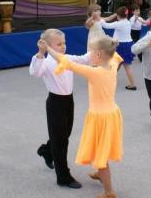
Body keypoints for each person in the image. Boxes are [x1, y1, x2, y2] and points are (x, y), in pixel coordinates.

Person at [43, 36, 123, 198]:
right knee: (101, 149)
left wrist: (48, 49)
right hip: (111, 113)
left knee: (102, 156)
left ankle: (109, 192)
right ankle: (101, 175)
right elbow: (115, 55)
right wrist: (110, 43)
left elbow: (68, 63)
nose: (89, 55)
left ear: (99, 55)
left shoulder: (95, 73)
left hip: (101, 118)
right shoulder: (112, 64)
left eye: (91, 52)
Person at [30, 29, 90, 189]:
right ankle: (63, 176)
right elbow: (35, 72)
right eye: (59, 44)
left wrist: (102, 48)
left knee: (65, 134)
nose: (63, 46)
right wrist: (40, 53)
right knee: (61, 141)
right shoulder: (45, 62)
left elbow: (84, 59)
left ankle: (47, 151)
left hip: (69, 101)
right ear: (48, 46)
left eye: (64, 43)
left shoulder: (67, 58)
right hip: (55, 103)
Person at [100, 6, 136, 90]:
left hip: (121, 46)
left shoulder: (118, 23)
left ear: (118, 15)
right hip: (129, 44)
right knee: (120, 64)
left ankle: (132, 84)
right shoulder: (127, 22)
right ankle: (110, 78)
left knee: (120, 64)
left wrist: (100, 19)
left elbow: (105, 25)